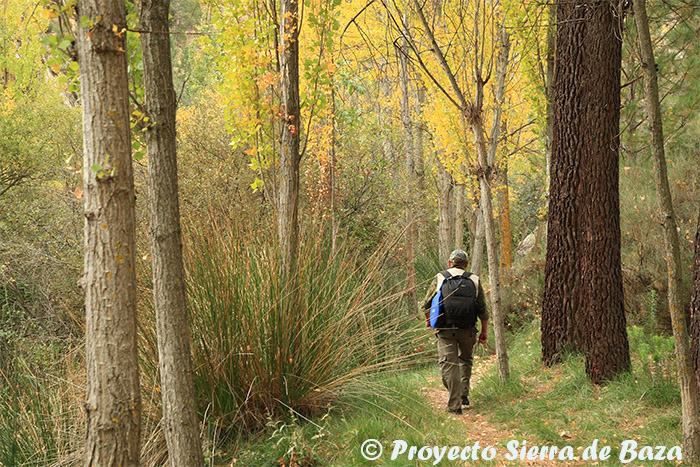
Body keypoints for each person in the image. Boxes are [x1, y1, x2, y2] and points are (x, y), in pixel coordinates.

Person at [421, 249, 488, 414]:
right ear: (465, 264)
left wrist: (430, 321)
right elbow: (483, 310)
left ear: (450, 263)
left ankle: (454, 405)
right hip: (468, 330)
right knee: (465, 360)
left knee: (448, 364)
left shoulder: (440, 277)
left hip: (445, 329)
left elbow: (426, 304)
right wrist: (484, 332)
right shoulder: (474, 279)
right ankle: (463, 394)